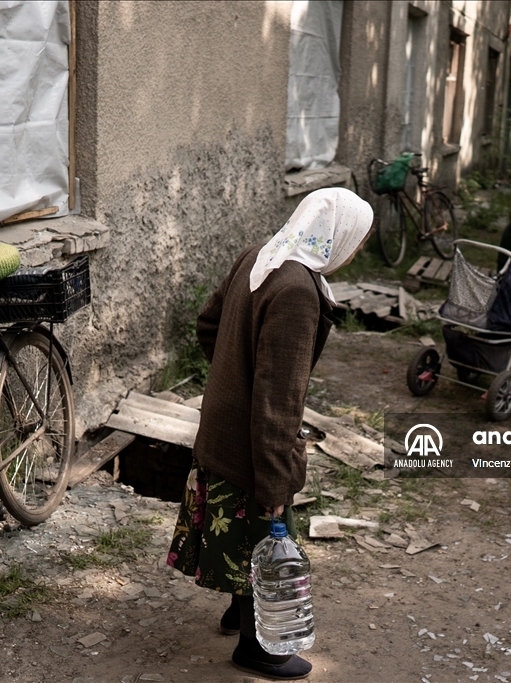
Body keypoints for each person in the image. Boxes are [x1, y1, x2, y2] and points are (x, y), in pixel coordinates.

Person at [166, 187, 373, 681]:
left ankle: (240, 610)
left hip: (224, 427)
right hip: (253, 441)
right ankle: (258, 647)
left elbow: (208, 323)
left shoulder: (262, 255)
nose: (357, 250)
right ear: (335, 237)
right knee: (267, 528)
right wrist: (280, 482)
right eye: (357, 240)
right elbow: (279, 402)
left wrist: (228, 380)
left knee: (242, 534)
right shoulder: (298, 292)